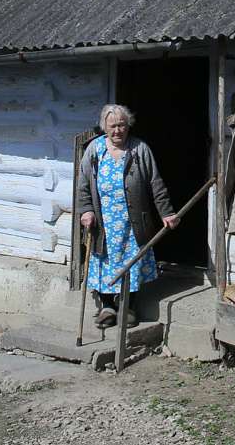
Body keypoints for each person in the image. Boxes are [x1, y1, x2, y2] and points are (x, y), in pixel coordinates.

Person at [75, 104, 177, 327]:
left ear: (128, 125)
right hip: (103, 222)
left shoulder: (140, 149)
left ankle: (128, 307)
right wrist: (87, 210)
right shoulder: (94, 149)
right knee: (104, 262)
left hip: (133, 221)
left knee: (132, 263)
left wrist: (167, 212)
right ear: (104, 127)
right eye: (112, 126)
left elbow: (155, 183)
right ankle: (107, 307)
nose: (117, 130)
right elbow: (83, 184)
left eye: (122, 125)